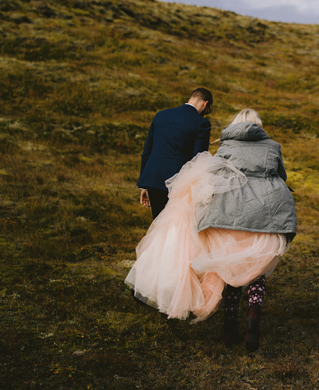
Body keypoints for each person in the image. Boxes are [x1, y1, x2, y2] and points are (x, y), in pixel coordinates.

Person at [125, 108, 297, 353]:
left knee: (232, 266)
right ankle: (253, 314)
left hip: (233, 214)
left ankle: (228, 328)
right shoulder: (272, 146)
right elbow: (281, 176)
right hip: (266, 215)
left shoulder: (227, 146)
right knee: (257, 269)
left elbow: (216, 175)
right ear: (259, 125)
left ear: (235, 124)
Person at [137, 88, 213, 219]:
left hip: (153, 181)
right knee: (175, 228)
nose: (206, 113)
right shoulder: (202, 123)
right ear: (205, 104)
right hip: (178, 185)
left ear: (190, 99)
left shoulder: (161, 115)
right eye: (208, 110)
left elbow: (147, 151)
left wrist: (144, 185)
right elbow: (198, 160)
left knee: (159, 225)